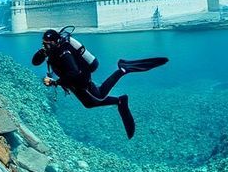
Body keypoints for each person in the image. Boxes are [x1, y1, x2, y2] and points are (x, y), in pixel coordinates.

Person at [32, 28, 168, 139]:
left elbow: (73, 72)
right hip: (72, 83)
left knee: (100, 95)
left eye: (48, 44)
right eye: (44, 43)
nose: (45, 46)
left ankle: (122, 71)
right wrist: (43, 51)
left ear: (56, 42)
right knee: (89, 104)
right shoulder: (51, 50)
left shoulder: (64, 52)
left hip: (81, 80)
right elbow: (35, 62)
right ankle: (120, 99)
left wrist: (55, 82)